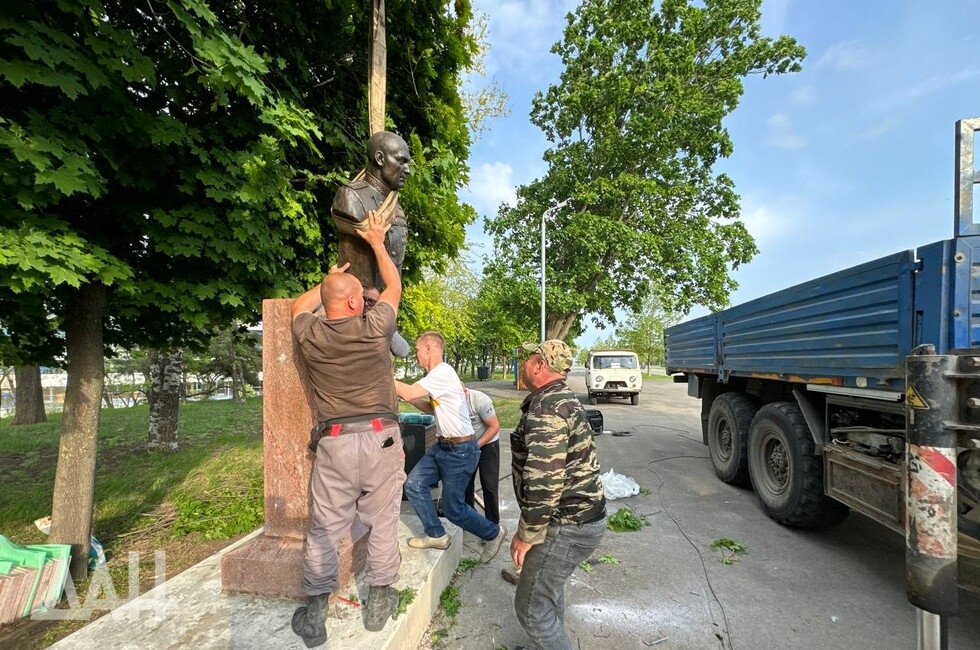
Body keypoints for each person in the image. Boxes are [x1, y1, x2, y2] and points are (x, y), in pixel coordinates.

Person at [289, 210, 404, 647]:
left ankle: (315, 615)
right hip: (381, 438)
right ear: (357, 303)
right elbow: (393, 286)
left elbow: (301, 307)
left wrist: (326, 283)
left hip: (334, 444)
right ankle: (377, 604)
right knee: (383, 520)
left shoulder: (312, 334)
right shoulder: (374, 327)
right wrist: (377, 242)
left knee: (323, 528)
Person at [510, 340, 607, 650]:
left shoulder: (546, 408)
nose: (524, 362)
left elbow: (544, 482)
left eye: (529, 357)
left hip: (568, 525)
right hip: (580, 518)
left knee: (531, 609)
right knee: (547, 593)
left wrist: (526, 535)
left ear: (539, 365)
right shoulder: (561, 398)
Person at [394, 332, 507, 563]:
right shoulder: (440, 377)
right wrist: (412, 399)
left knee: (453, 508)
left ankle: (493, 533)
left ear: (428, 348)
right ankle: (436, 534)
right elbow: (432, 409)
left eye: (417, 350)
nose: (415, 355)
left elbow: (406, 391)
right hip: (442, 447)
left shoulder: (442, 372)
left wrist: (378, 371)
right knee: (414, 484)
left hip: (460, 450)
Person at [331, 131, 411, 290]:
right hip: (354, 304)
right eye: (401, 161)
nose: (407, 170)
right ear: (380, 159)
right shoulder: (351, 196)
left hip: (386, 306)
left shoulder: (395, 207)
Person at [463, 386, 501, 525]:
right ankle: (470, 520)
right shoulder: (451, 402)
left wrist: (475, 446)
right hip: (467, 446)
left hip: (488, 445)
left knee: (489, 485)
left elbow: (494, 426)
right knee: (465, 485)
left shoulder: (480, 400)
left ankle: (492, 525)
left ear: (464, 390)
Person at [362, 287, 410, 358]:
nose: (366, 304)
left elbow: (403, 351)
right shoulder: (350, 321)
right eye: (364, 299)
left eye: (371, 301)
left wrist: (384, 326)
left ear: (379, 305)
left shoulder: (384, 323)